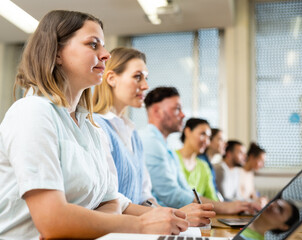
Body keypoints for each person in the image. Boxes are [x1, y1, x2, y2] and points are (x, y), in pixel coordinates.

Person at [0, 11, 190, 240]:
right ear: (56, 53)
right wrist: (143, 225)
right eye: (93, 45)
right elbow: (53, 221)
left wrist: (82, 220)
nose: (105, 55)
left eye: (103, 46)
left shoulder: (90, 127)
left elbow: (111, 201)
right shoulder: (32, 112)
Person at [92, 47, 215, 226]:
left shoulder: (132, 132)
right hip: (118, 229)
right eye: (137, 77)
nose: (145, 86)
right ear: (111, 79)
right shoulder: (97, 126)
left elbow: (144, 196)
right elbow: (108, 199)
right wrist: (176, 215)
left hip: (140, 227)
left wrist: (167, 217)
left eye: (146, 78)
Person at [140, 86, 257, 215]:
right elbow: (170, 194)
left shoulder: (168, 150)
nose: (183, 114)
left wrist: (226, 206)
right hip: (160, 219)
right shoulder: (150, 142)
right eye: (177, 109)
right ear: (157, 111)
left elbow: (186, 190)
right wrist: (223, 207)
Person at [176, 118, 218, 201]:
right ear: (187, 132)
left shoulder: (204, 166)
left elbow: (212, 199)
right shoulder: (171, 158)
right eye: (203, 134)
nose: (207, 141)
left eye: (209, 137)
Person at [198, 128, 225, 194]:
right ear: (209, 140)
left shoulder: (209, 163)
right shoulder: (201, 161)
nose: (225, 143)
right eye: (220, 139)